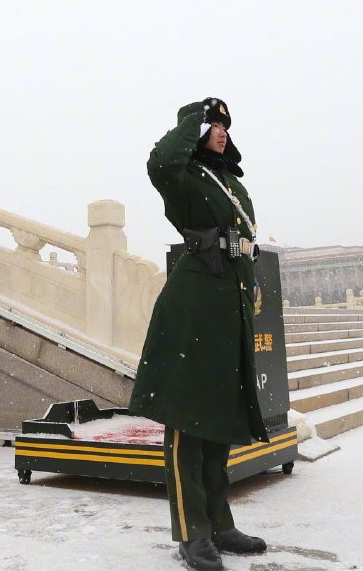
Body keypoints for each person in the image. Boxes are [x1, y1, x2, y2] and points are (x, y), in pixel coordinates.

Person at [129, 97, 269, 571]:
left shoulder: (231, 182)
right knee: (188, 422)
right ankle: (192, 533)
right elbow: (159, 161)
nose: (221, 131)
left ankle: (220, 523)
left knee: (219, 422)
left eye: (225, 125)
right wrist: (191, 117)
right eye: (213, 124)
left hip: (228, 306)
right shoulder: (184, 177)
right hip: (193, 305)